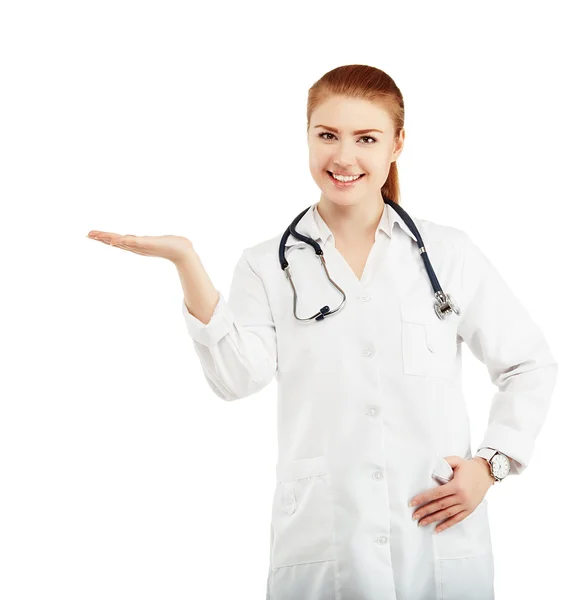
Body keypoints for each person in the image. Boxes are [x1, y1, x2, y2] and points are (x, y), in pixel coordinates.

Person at [87, 64, 558, 600]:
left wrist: (490, 466)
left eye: (366, 138)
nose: (343, 157)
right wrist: (186, 262)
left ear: (397, 144)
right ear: (307, 136)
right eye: (327, 135)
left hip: (435, 535)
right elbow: (237, 379)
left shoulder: (449, 254)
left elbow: (528, 364)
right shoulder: (268, 264)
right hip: (325, 540)